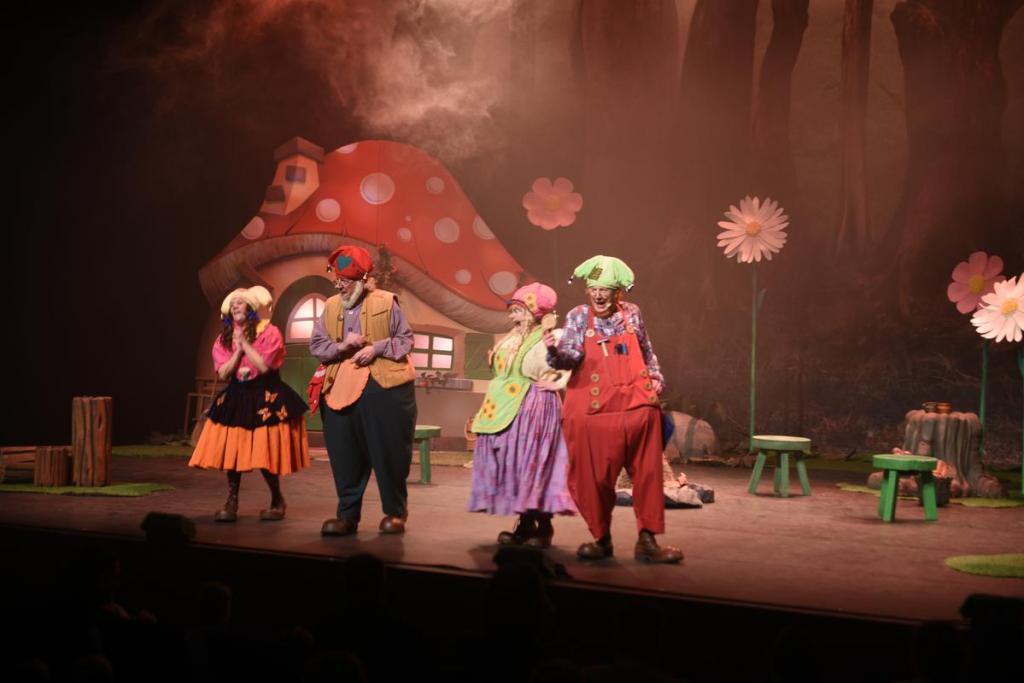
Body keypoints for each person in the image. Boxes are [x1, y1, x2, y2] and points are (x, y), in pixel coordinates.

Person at [544, 256, 682, 563]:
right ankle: (601, 538)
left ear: (617, 291)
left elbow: (646, 349)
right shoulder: (578, 316)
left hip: (636, 405)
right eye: (593, 288)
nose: (598, 295)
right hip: (595, 411)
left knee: (648, 475)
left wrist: (655, 378)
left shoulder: (632, 313)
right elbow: (570, 358)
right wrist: (553, 350)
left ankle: (647, 540)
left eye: (604, 289)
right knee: (592, 478)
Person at [309, 245, 417, 536]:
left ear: (363, 279)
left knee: (388, 452)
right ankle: (347, 515)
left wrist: (375, 348)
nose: (340, 286)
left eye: (346, 281)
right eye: (337, 280)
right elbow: (317, 345)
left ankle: (395, 512)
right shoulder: (332, 306)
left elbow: (406, 340)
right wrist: (342, 346)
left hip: (384, 387)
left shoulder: (386, 301)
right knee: (344, 452)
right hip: (341, 386)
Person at [468, 283, 576, 547]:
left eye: (517, 310)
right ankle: (526, 524)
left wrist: (555, 377)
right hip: (506, 405)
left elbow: (564, 362)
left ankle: (544, 527)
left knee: (534, 464)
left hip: (534, 404)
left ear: (531, 312)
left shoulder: (550, 335)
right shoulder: (512, 337)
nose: (512, 315)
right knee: (515, 463)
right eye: (513, 310)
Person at [189, 286, 310, 521]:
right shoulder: (224, 338)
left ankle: (277, 499)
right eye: (232, 304)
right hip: (238, 395)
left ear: (251, 308)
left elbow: (264, 366)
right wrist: (236, 352)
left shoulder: (269, 332)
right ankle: (232, 501)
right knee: (234, 449)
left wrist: (244, 344)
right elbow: (224, 372)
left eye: (240, 302)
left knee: (264, 450)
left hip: (265, 394)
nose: (235, 306)